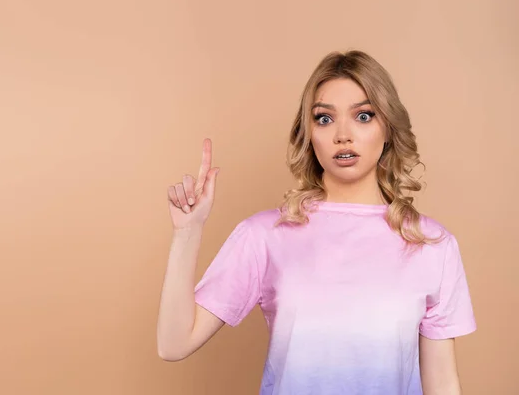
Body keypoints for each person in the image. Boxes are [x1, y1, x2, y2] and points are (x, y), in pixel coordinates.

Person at [156, 50, 476, 395]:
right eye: (324, 119)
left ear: (388, 127)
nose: (343, 135)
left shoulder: (431, 243)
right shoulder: (264, 235)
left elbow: (442, 383)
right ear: (308, 133)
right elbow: (173, 345)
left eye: (364, 116)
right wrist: (187, 233)